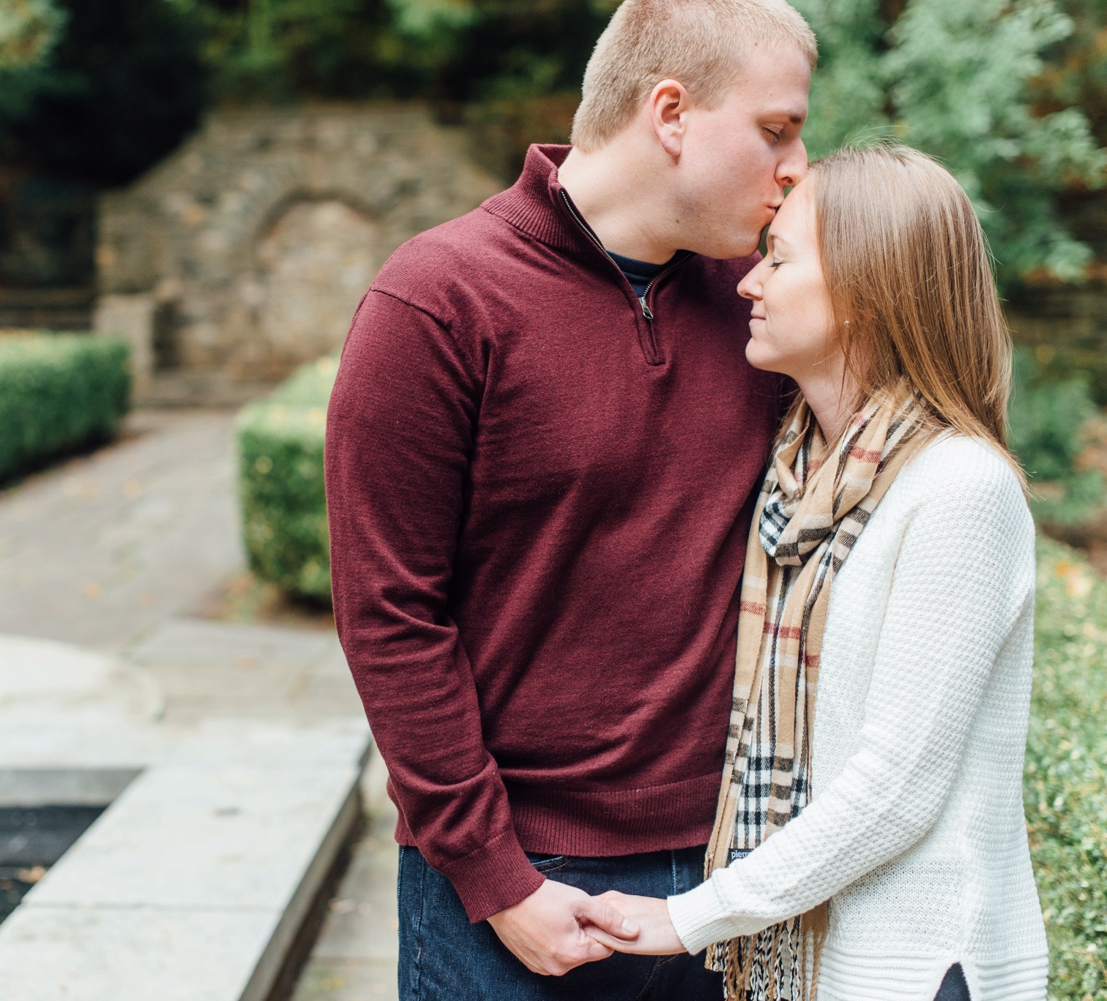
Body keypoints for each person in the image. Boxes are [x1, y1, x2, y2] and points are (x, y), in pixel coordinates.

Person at [323, 0, 816, 997]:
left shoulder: (766, 304)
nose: (797, 164)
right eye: (777, 128)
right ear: (670, 114)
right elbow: (389, 609)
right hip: (514, 894)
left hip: (727, 875)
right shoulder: (436, 301)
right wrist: (496, 876)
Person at [585, 144, 1050, 1001]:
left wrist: (692, 915)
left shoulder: (958, 489)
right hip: (817, 963)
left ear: (868, 295)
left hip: (917, 966)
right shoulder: (798, 481)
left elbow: (898, 784)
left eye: (780, 259)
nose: (747, 283)